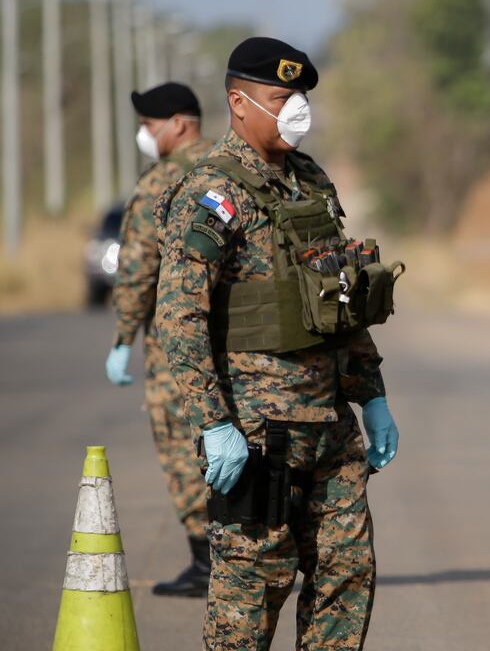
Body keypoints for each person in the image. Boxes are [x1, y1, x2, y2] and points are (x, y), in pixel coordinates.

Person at [155, 37, 400, 650]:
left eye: (300, 98)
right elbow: (180, 316)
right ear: (239, 103)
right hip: (259, 432)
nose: (295, 109)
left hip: (330, 426)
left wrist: (371, 396)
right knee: (251, 594)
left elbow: (343, 300)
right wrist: (214, 424)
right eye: (279, 98)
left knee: (346, 578)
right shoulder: (212, 192)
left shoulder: (310, 180)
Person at [106, 82, 214, 597]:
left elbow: (137, 268)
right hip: (235, 343)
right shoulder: (227, 168)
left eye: (150, 127)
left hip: (175, 344)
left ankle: (208, 563)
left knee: (181, 449)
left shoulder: (162, 181)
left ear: (179, 123)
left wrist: (124, 335)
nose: (145, 137)